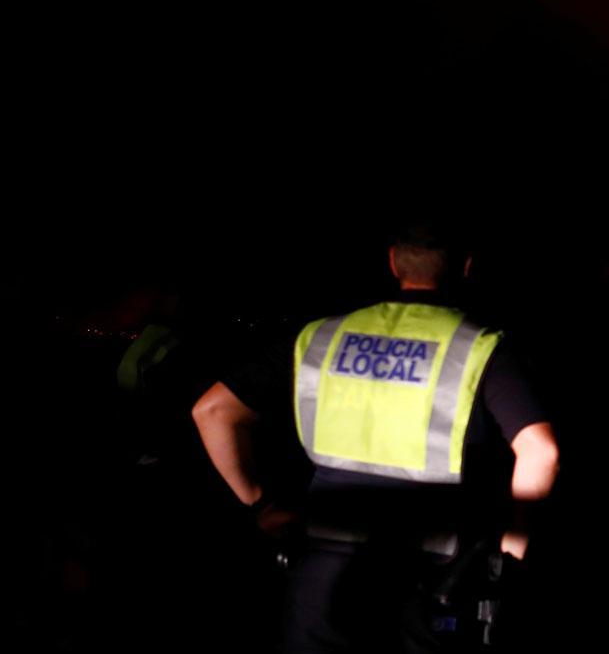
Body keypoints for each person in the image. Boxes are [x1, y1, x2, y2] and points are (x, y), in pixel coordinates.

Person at [192, 225, 560, 652]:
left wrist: (260, 503)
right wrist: (512, 548)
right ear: (466, 267)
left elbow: (212, 411)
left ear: (392, 262)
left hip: (322, 569)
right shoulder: (481, 347)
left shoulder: (319, 337)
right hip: (430, 571)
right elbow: (541, 450)